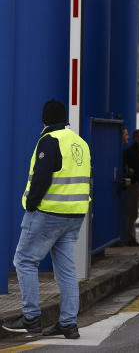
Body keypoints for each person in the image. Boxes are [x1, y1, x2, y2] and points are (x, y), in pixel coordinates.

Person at [1, 100, 91, 339]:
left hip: (48, 212)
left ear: (46, 120)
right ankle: (68, 324)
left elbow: (41, 177)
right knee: (66, 270)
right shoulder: (80, 143)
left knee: (24, 260)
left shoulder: (49, 141)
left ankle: (31, 318)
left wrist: (31, 204)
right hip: (75, 215)